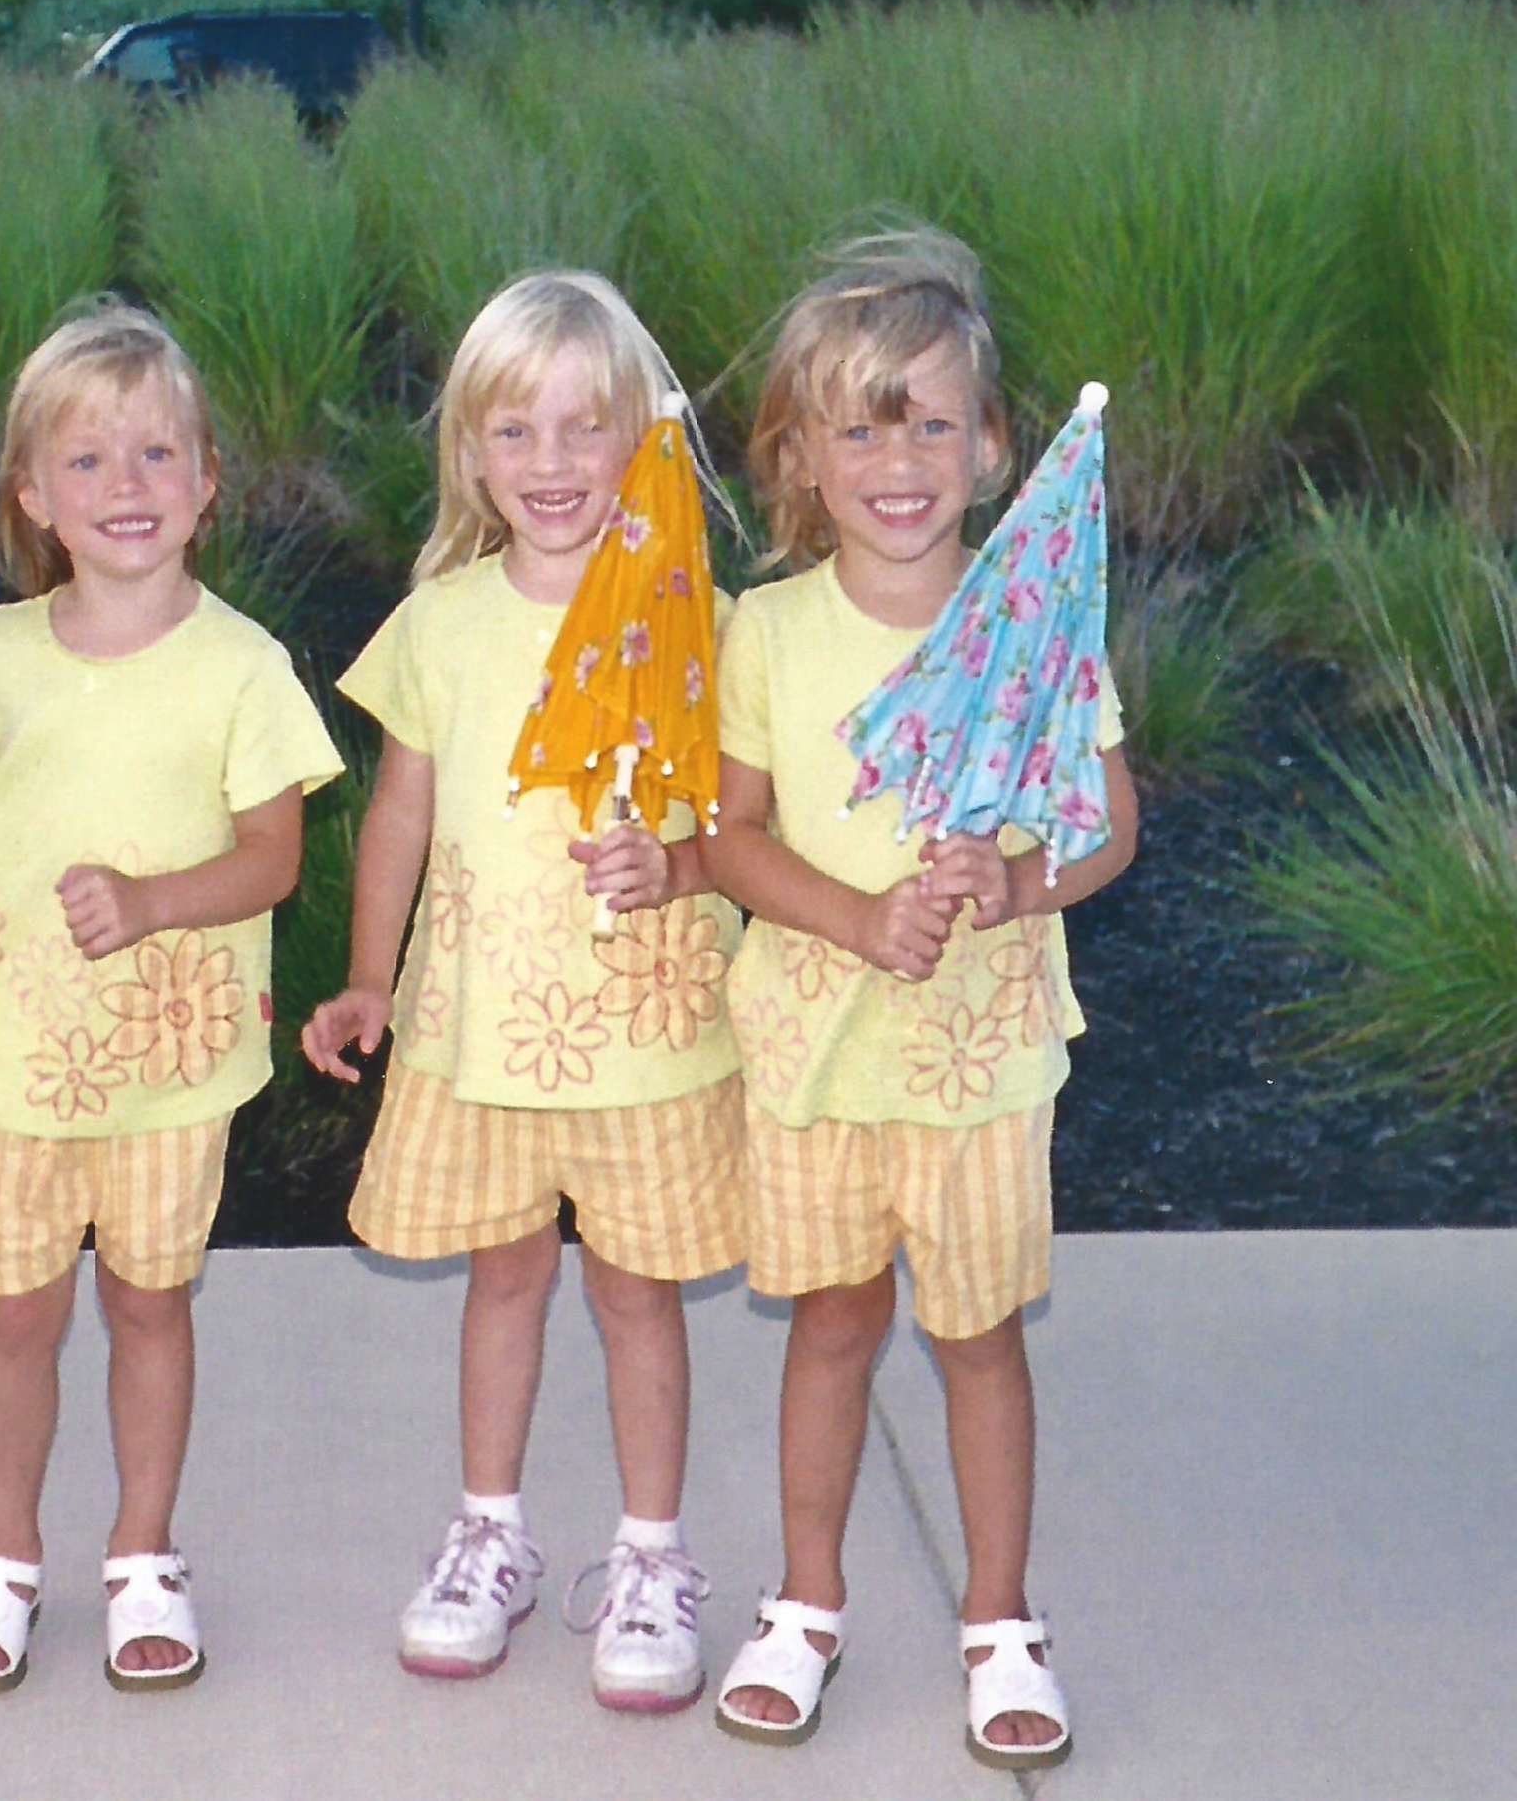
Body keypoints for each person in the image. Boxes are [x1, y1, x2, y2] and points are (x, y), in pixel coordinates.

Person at [0, 300, 342, 1695]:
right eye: (89, 462)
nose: (127, 487)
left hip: (166, 1066)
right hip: (14, 1056)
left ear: (208, 483)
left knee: (149, 1305)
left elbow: (274, 858)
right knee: (16, 1316)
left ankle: (140, 1551)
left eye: (158, 455)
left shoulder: (241, 665)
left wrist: (149, 901)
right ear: (33, 500)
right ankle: (5, 1555)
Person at [702, 227, 1136, 1771]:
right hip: (821, 1052)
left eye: (936, 422)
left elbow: (1107, 818)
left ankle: (1000, 1618)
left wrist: (1022, 883)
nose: (902, 459)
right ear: (803, 457)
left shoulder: (1033, 620)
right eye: (863, 426)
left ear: (994, 445)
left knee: (977, 1341)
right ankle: (806, 1602)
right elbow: (729, 838)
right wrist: (860, 915)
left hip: (979, 1055)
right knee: (830, 1326)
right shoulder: (763, 631)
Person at [301, 271, 747, 1714]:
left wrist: (674, 857)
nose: (551, 464)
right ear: (471, 452)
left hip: (641, 1024)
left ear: (647, 438)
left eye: (586, 428)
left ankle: (651, 1553)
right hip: (479, 1019)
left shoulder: (697, 615)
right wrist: (370, 977)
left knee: (635, 1290)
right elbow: (398, 820)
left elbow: (748, 819)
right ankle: (489, 1531)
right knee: (502, 1275)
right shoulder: (441, 619)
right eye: (517, 431)